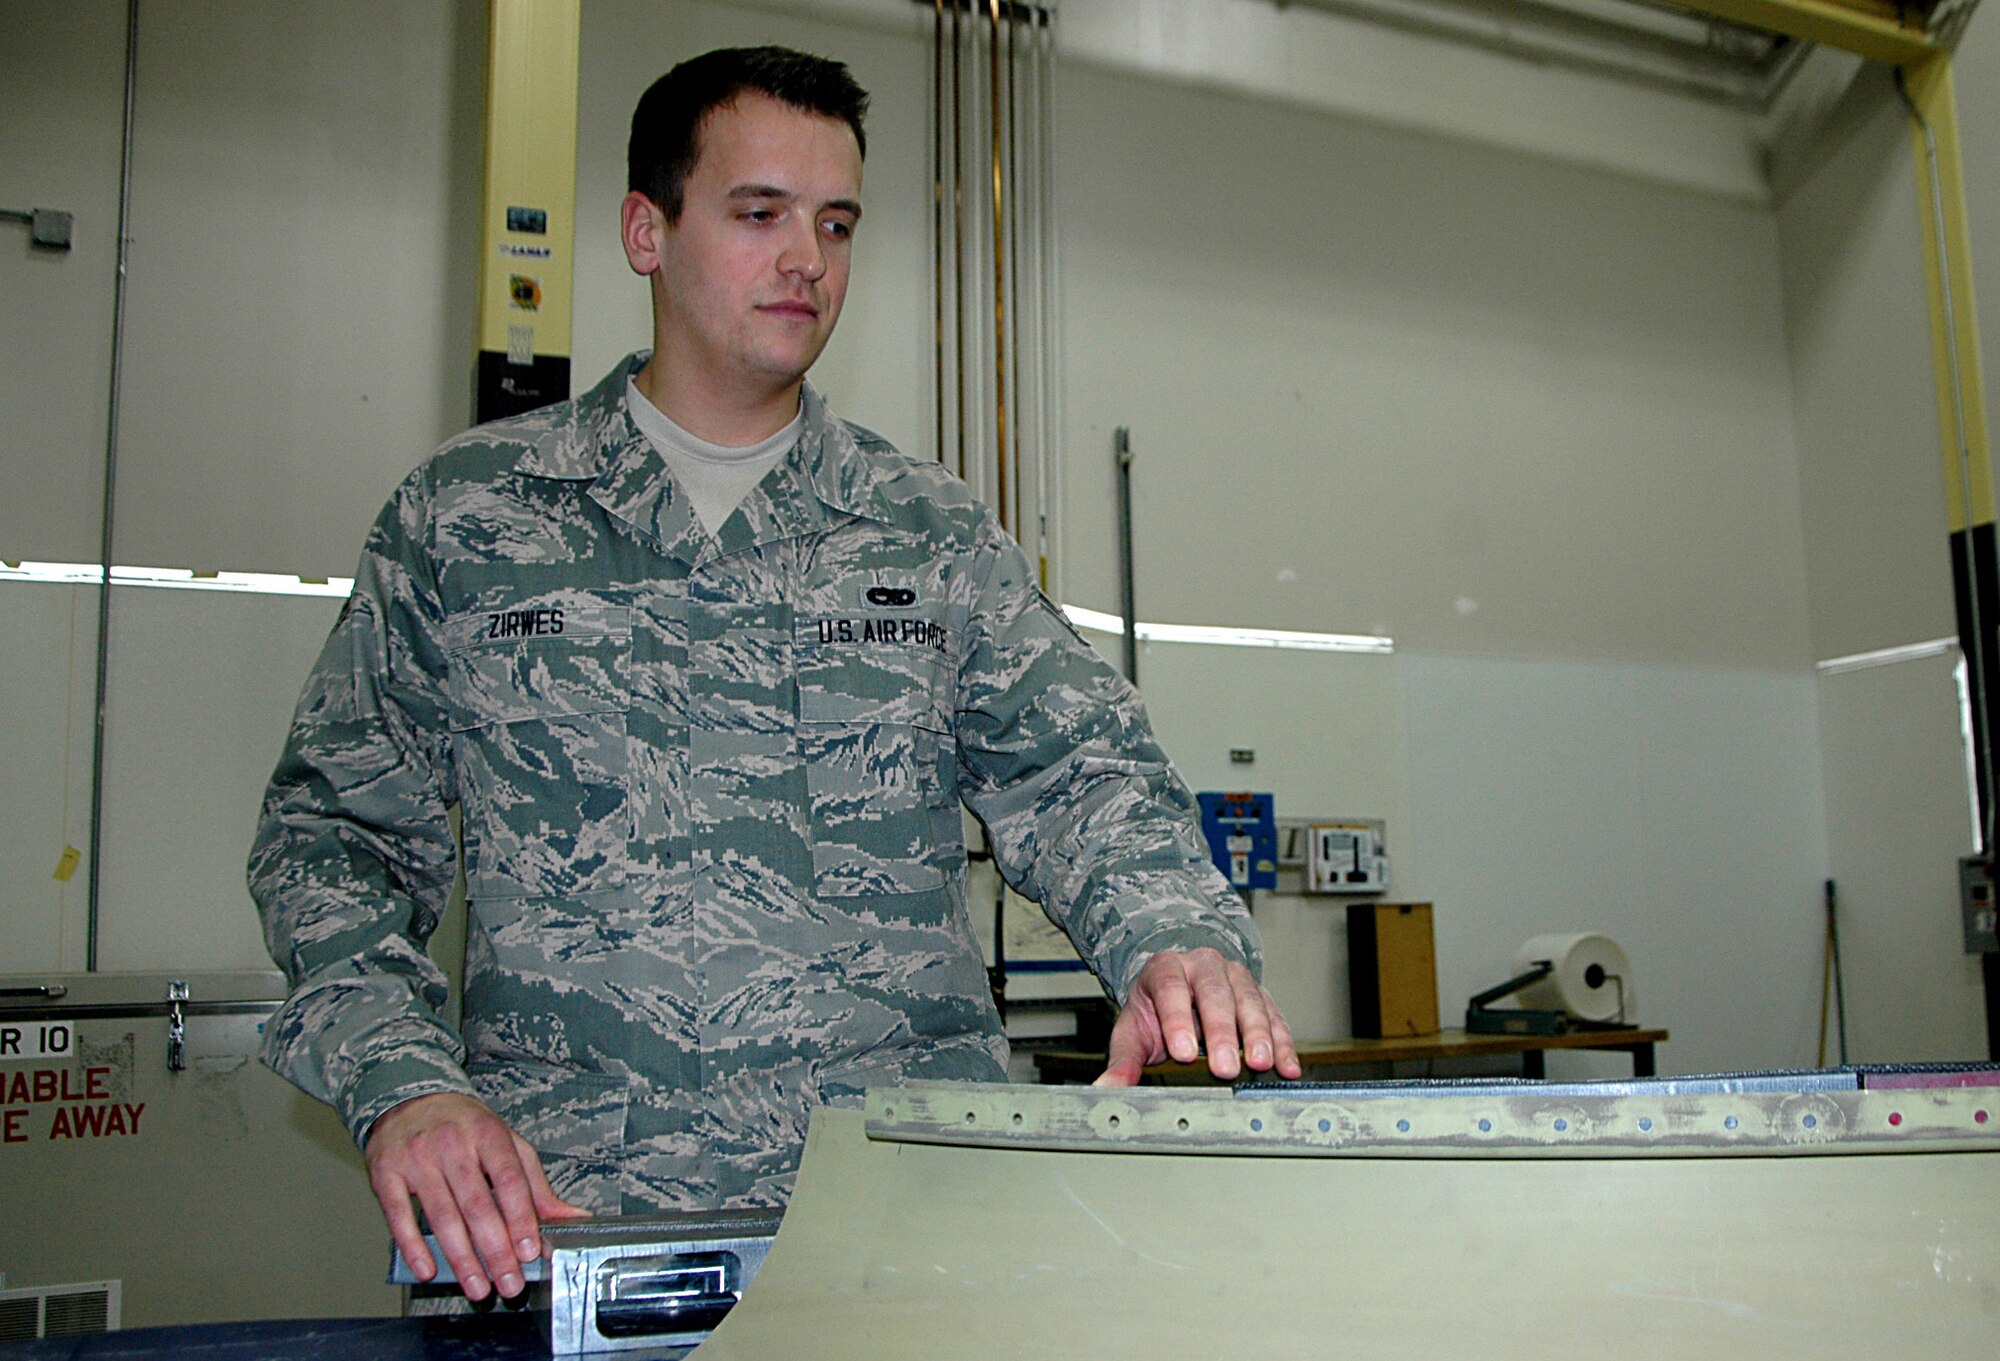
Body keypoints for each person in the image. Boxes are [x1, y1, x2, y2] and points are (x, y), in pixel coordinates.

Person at [251, 45, 1300, 1307]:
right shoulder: (470, 522)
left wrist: (1171, 939)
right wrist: (402, 1080)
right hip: (568, 1232)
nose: (807, 257)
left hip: (904, 1238)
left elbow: (1084, 773)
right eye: (759, 213)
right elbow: (332, 837)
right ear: (647, 231)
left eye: (835, 223)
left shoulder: (925, 533)